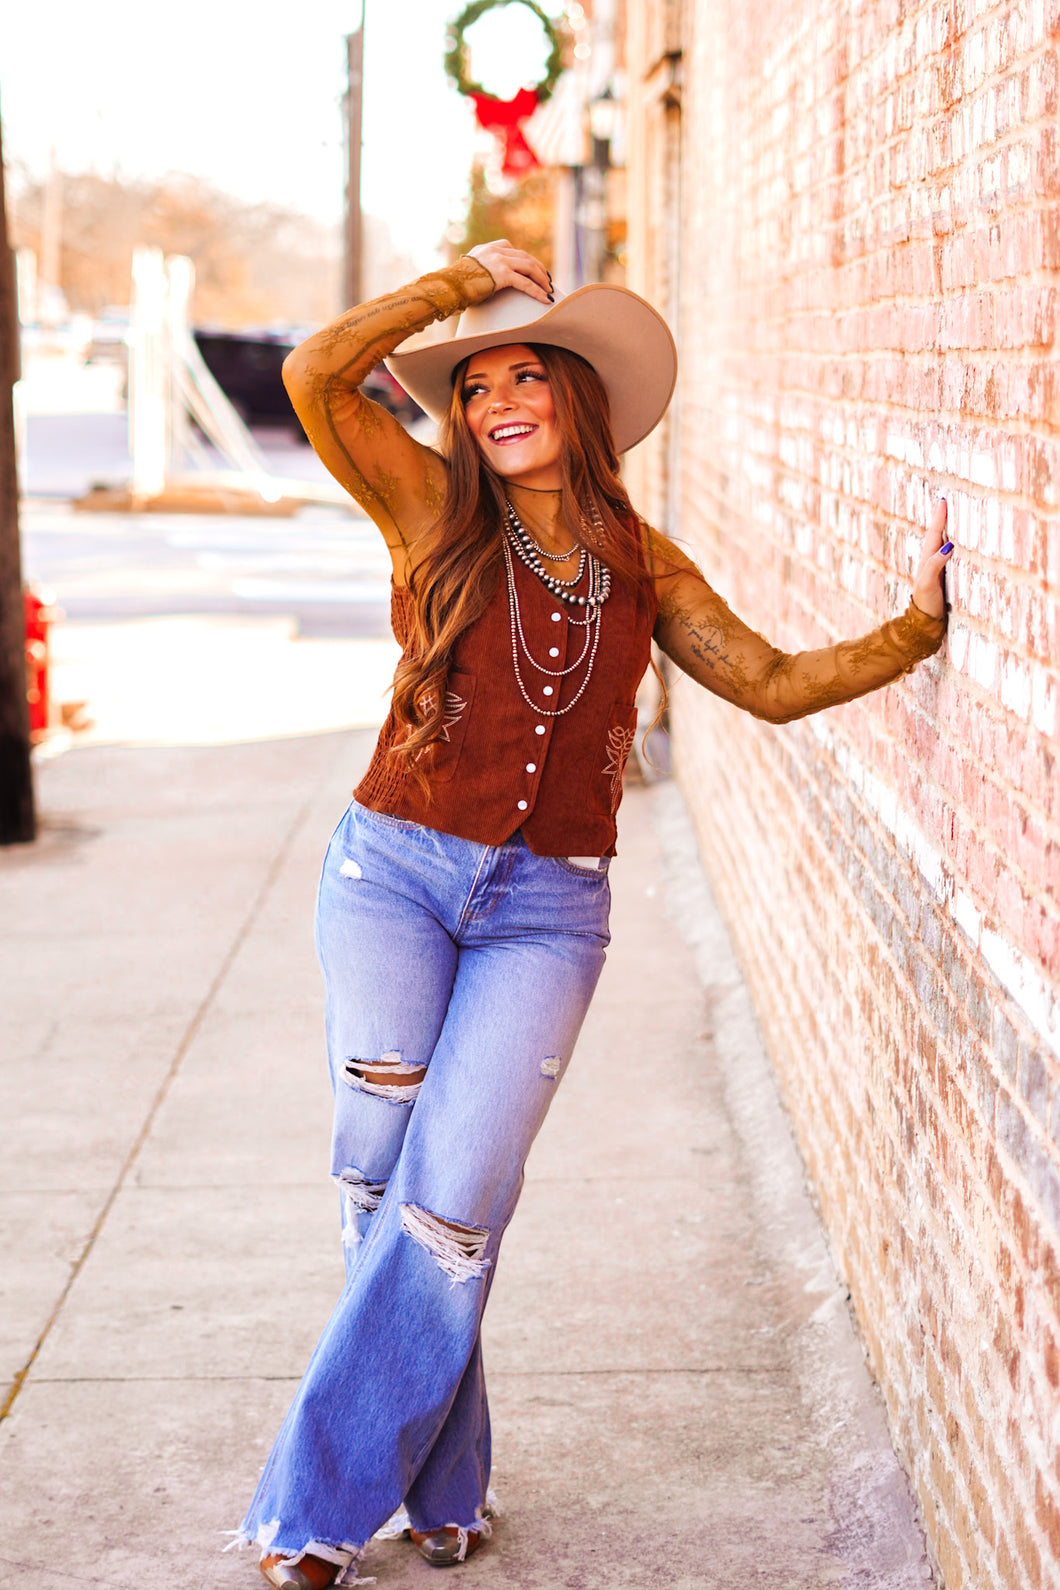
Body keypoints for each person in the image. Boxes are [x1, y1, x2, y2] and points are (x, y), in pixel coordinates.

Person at [236, 240, 953, 1587]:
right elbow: (315, 372)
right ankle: (421, 1488)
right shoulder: (423, 505)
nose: (501, 398)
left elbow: (773, 679)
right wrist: (451, 288)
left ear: (579, 398)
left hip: (546, 913)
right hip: (389, 873)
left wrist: (912, 631)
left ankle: (318, 1501)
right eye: (478, 384)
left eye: (529, 375)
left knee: (454, 1202)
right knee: (379, 1188)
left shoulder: (639, 557)